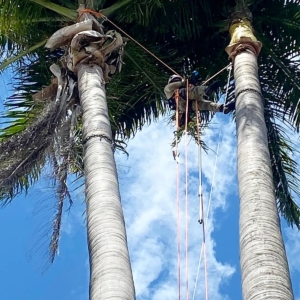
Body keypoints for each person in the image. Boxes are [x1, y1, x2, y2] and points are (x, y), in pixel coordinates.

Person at [164, 74, 235, 126]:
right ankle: (206, 91)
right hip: (180, 98)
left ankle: (222, 108)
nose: (177, 82)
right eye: (175, 80)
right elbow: (173, 86)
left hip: (187, 107)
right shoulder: (168, 89)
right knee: (194, 91)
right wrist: (185, 82)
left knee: (205, 104)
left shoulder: (186, 86)